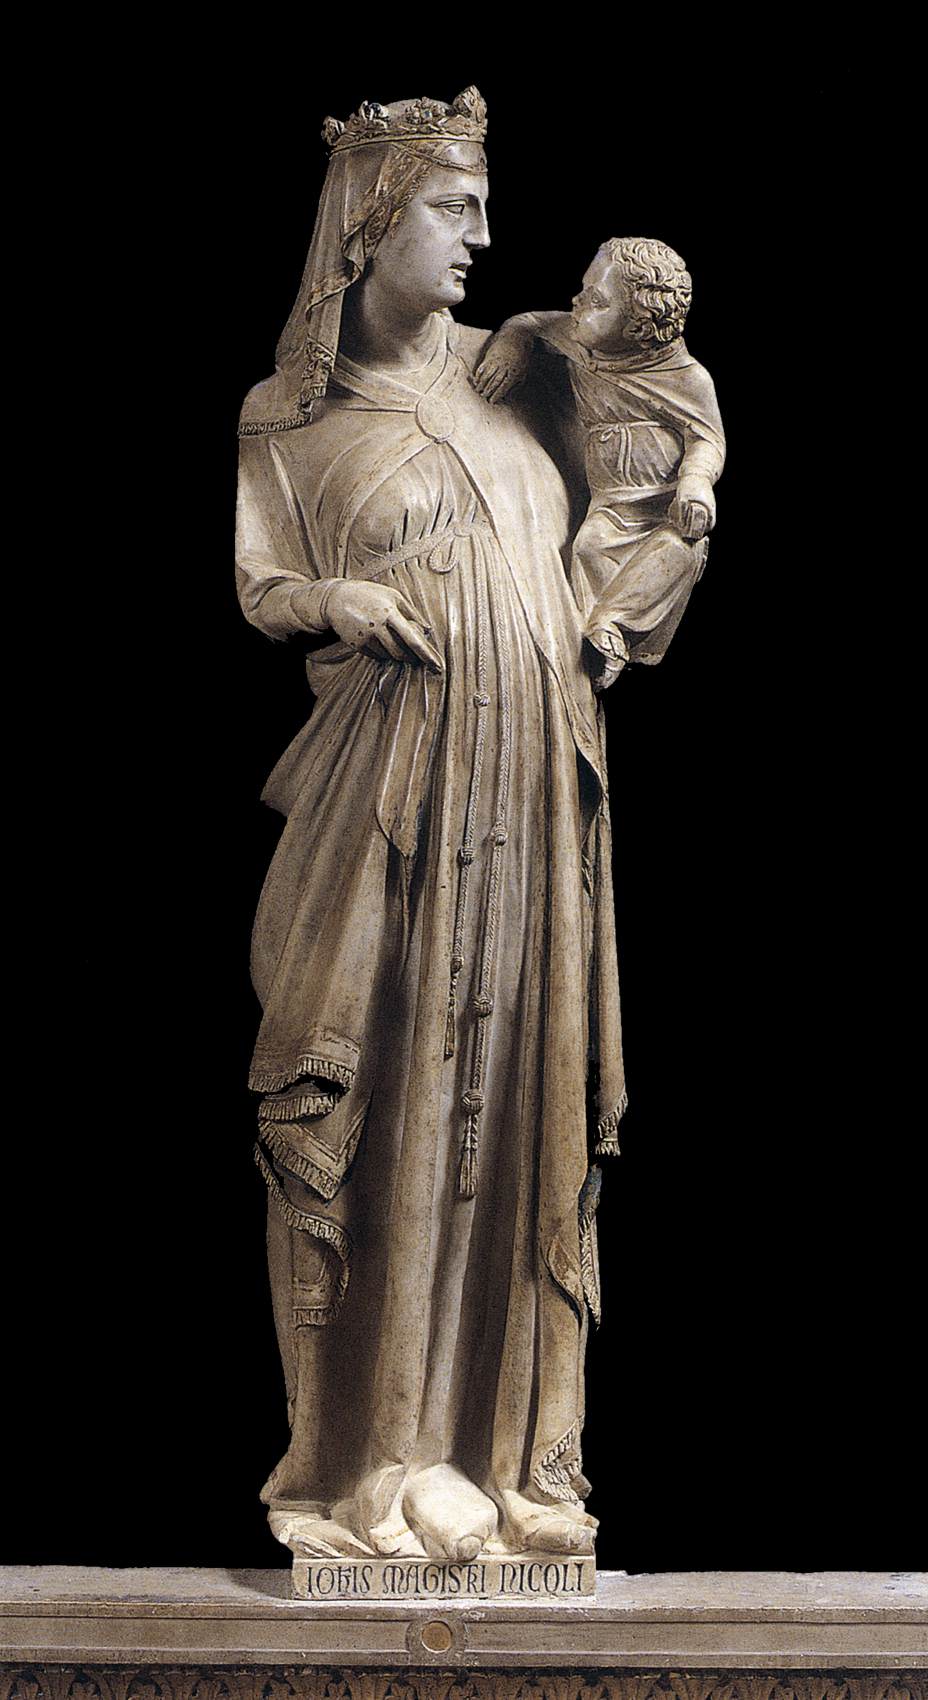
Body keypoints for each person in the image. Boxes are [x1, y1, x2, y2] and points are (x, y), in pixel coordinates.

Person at [235, 90, 626, 1565]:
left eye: (480, 209)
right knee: (387, 1087)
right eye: (453, 210)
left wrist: (654, 551)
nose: (480, 238)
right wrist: (333, 598)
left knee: (518, 1093)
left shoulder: (525, 374)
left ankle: (516, 1456)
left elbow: (625, 510)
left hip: (535, 791)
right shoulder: (291, 414)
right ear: (370, 220)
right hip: (391, 796)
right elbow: (262, 584)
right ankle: (377, 1462)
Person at [474, 238, 725, 688]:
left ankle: (612, 629)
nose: (577, 302)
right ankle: (590, 646)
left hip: (663, 507)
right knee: (590, 547)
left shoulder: (686, 377)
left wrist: (696, 482)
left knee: (680, 548)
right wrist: (511, 344)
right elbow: (530, 322)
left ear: (638, 328)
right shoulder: (578, 337)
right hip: (609, 503)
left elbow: (707, 437)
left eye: (597, 301)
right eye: (584, 289)